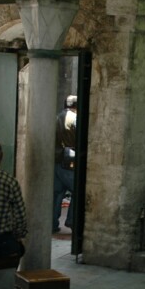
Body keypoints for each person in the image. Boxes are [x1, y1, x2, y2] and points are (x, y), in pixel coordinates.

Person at [52, 94, 77, 233]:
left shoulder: (57, 117)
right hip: (69, 161)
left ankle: (52, 223)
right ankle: (72, 220)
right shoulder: (74, 118)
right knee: (78, 189)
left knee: (57, 193)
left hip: (56, 159)